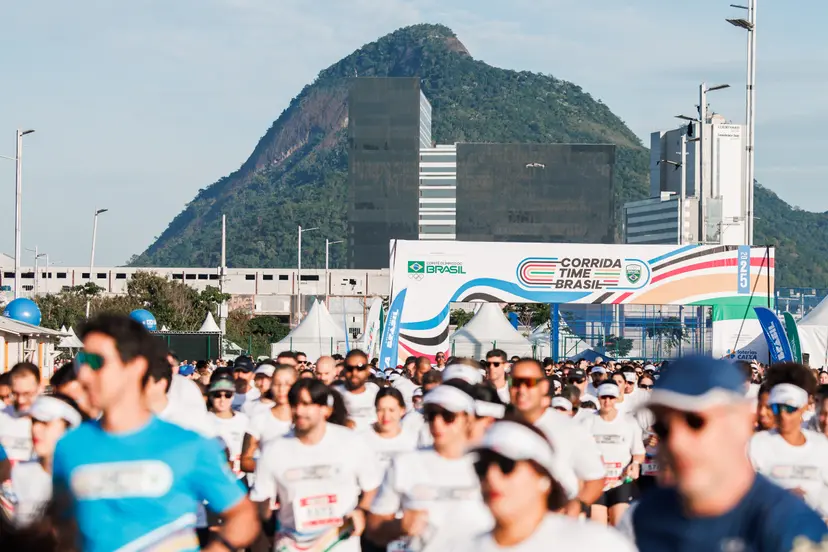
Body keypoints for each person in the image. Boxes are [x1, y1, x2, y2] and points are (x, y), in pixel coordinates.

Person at [54, 314, 258, 551]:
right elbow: (62, 528)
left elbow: (243, 515)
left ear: (135, 366)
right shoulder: (69, 446)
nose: (84, 374)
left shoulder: (188, 445)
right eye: (82, 362)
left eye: (97, 362)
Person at [625, 355, 828, 551]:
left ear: (741, 423)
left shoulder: (793, 528)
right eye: (663, 427)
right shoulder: (641, 520)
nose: (676, 442)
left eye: (695, 422)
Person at [457, 419, 636, 551]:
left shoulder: (596, 545)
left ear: (542, 477)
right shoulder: (461, 547)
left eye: (506, 465)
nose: (491, 477)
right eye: (481, 467)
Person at [251, 378, 382, 552]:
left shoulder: (351, 442)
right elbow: (261, 500)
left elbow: (372, 487)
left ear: (325, 410)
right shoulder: (274, 449)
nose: (299, 411)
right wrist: (264, 533)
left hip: (339, 544)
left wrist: (361, 510)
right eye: (295, 404)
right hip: (292, 544)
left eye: (306, 404)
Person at [366, 381, 493, 551]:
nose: (437, 423)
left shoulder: (490, 465)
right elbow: (374, 527)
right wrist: (400, 526)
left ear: (468, 418)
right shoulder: (405, 463)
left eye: (448, 416)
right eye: (432, 415)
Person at [509, 358, 604, 516]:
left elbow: (595, 478)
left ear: (544, 386)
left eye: (529, 383)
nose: (522, 389)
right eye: (516, 382)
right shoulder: (496, 426)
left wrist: (575, 507)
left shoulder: (570, 428)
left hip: (556, 524)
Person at [748, 362, 828, 517]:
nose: (783, 415)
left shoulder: (822, 447)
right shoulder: (757, 445)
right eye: (778, 408)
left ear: (805, 407)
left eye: (790, 408)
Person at [3, 394, 83, 529]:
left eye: (45, 423)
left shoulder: (85, 476)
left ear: (70, 428)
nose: (35, 429)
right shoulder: (20, 472)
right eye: (34, 421)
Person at [583, 382, 645, 526]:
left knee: (619, 525)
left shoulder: (629, 422)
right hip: (595, 482)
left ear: (617, 399)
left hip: (620, 481)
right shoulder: (587, 422)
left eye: (611, 398)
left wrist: (635, 464)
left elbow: (639, 452)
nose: (607, 401)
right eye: (604, 397)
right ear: (598, 398)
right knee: (598, 527)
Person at [241, 364, 297, 474]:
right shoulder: (259, 419)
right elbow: (245, 461)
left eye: (287, 384)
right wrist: (271, 468)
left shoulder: (306, 418)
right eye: (277, 384)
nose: (281, 389)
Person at [207, 376, 250, 480]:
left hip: (239, 478)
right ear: (211, 397)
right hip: (211, 478)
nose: (222, 399)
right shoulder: (203, 420)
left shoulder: (244, 420)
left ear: (233, 396)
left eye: (227, 395)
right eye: (217, 395)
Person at [0, 362, 42, 466]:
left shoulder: (53, 419)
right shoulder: (2, 415)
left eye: (27, 393)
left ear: (40, 388)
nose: (21, 400)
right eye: (15, 393)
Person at [334, 349, 380, 431]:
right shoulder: (335, 393)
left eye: (360, 368)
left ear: (367, 370)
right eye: (350, 368)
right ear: (344, 370)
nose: (354, 373)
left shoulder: (375, 390)